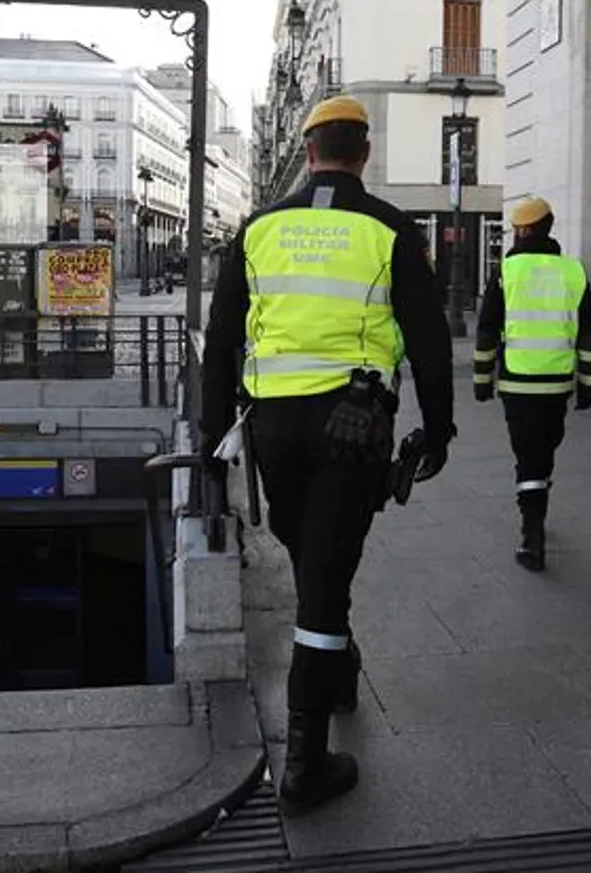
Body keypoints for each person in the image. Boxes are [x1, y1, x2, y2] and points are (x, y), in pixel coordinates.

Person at [200, 94, 456, 817]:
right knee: (322, 583)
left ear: (308, 151)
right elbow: (430, 341)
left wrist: (208, 442)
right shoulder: (389, 228)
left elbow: (220, 345)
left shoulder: (257, 229)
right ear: (362, 153)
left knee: (312, 553)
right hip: (354, 425)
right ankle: (304, 763)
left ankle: (337, 666)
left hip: (273, 429)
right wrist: (439, 431)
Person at [472, 196, 591, 572]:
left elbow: (486, 329)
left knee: (527, 456)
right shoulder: (573, 272)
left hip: (518, 383)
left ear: (525, 230)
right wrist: (589, 385)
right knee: (543, 450)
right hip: (557, 384)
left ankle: (532, 533)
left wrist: (482, 380)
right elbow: (588, 332)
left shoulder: (506, 271)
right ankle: (537, 499)